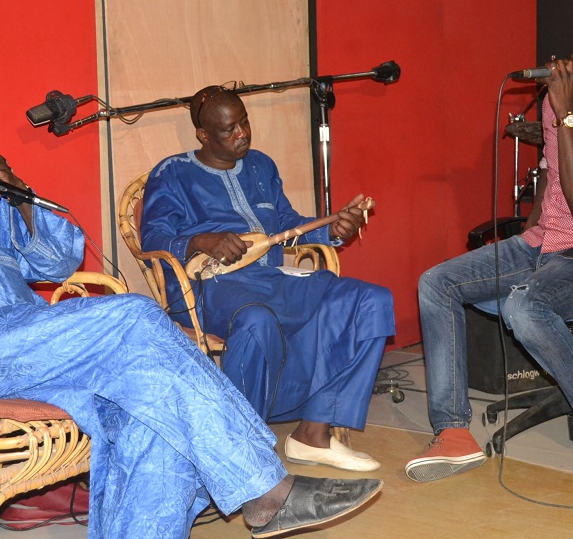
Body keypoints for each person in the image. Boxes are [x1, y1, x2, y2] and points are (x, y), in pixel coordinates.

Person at [0, 58, 383, 539]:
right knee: (132, 313)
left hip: (36, 348)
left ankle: (242, 492)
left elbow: (55, 264)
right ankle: (264, 488)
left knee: (150, 409)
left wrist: (22, 199)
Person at [407, 13, 573, 491]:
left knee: (526, 305)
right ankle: (453, 431)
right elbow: (551, 171)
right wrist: (525, 238)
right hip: (545, 242)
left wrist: (567, 112)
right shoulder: (559, 102)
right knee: (435, 282)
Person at [140, 86, 396, 472]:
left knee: (369, 300)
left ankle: (313, 432)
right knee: (256, 319)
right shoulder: (172, 173)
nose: (242, 133)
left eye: (244, 122)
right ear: (204, 135)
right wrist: (200, 240)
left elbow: (289, 226)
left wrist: (335, 230)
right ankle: (239, 449)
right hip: (208, 288)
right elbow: (153, 238)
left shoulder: (261, 166)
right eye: (229, 130)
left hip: (272, 277)